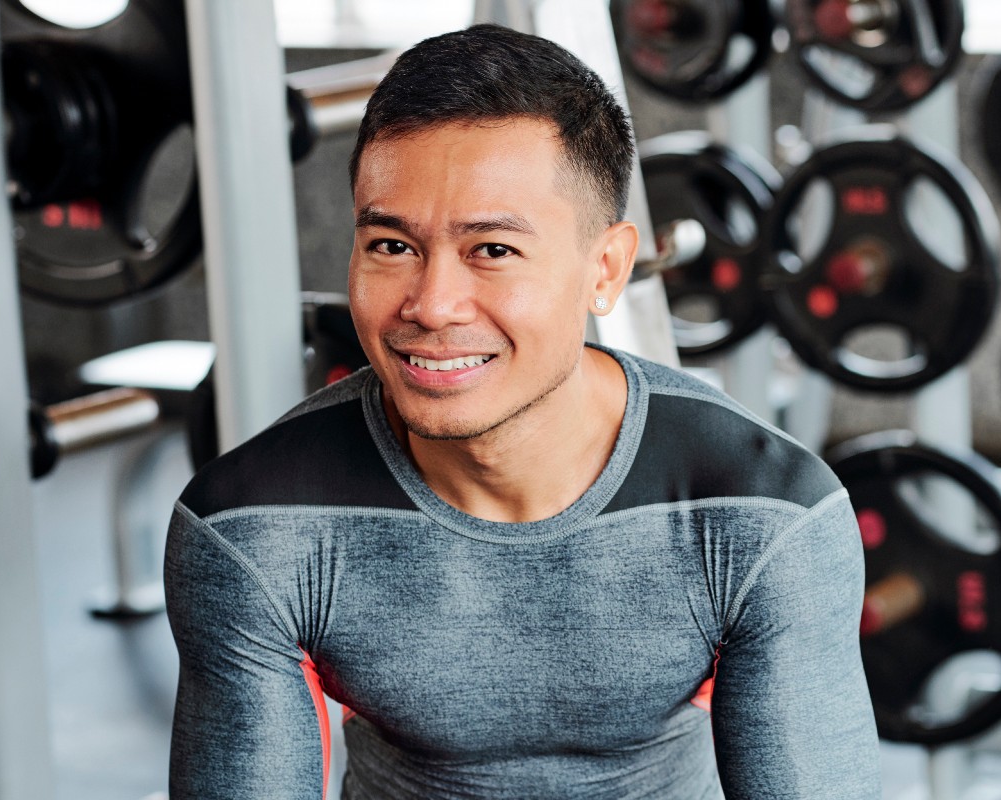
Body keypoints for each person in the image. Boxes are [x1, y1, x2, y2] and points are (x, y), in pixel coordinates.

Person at [165, 23, 880, 799]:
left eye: (493, 251)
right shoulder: (253, 529)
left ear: (605, 269)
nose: (432, 306)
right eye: (391, 246)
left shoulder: (764, 517)